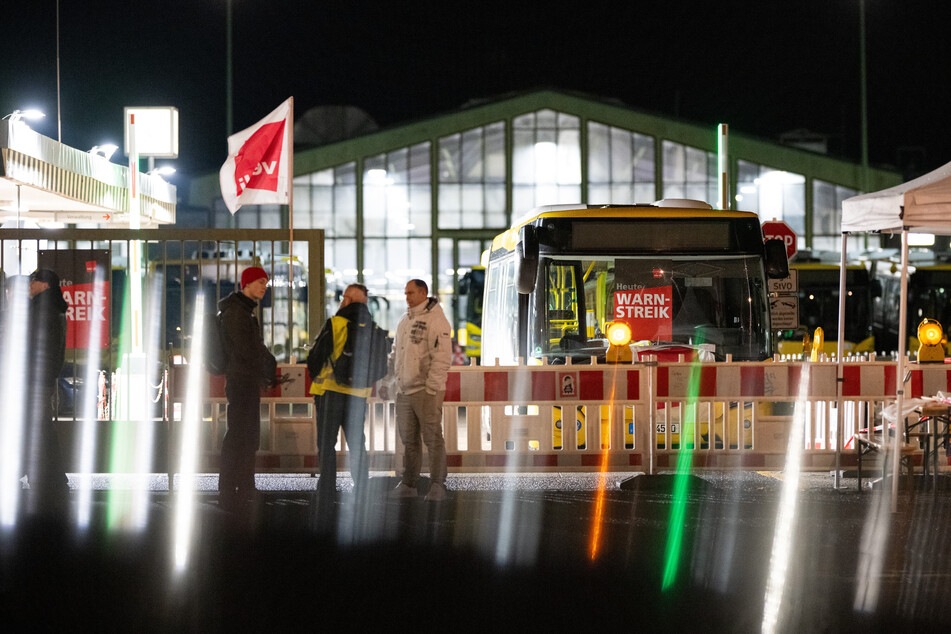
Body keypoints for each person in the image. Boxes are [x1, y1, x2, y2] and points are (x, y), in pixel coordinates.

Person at [384, 279, 452, 502]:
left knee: (432, 439)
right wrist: (392, 381)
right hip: (405, 390)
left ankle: (437, 485)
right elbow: (396, 353)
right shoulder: (406, 319)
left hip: (424, 390)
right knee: (409, 440)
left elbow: (441, 356)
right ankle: (409, 484)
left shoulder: (435, 319)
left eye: (411, 292)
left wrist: (432, 387)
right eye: (405, 293)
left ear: (423, 292)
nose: (407, 297)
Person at [306, 284, 373, 504]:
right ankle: (362, 488)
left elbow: (315, 359)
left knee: (327, 444)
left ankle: (326, 491)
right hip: (358, 395)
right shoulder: (371, 327)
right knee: (357, 443)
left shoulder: (336, 324)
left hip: (330, 393)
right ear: (364, 302)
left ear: (346, 299)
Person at [217, 266, 277, 512]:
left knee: (247, 435)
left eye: (266, 283)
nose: (264, 286)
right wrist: (266, 365)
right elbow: (247, 348)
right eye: (261, 282)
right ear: (247, 283)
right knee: (240, 435)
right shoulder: (237, 312)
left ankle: (242, 485)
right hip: (241, 381)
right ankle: (231, 487)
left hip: (245, 379)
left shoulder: (244, 311)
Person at [24, 268, 70, 514]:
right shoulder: (56, 310)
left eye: (33, 281)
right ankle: (51, 478)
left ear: (45, 285)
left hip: (34, 378)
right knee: (42, 427)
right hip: (45, 378)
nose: (29, 285)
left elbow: (29, 345)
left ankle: (44, 478)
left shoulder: (42, 311)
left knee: (38, 428)